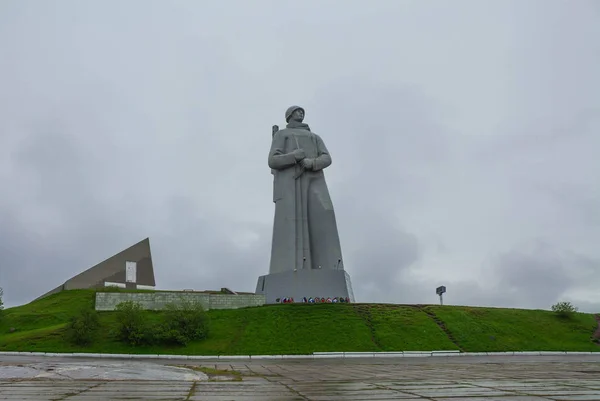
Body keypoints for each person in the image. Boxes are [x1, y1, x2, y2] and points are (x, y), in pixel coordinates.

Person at [268, 106, 345, 273]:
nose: (301, 113)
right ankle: (289, 270)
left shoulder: (314, 137)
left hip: (314, 180)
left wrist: (312, 163)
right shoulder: (282, 135)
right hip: (290, 184)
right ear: (289, 116)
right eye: (297, 111)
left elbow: (326, 157)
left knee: (324, 215)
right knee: (291, 225)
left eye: (302, 111)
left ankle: (329, 269)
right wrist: (294, 156)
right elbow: (273, 160)